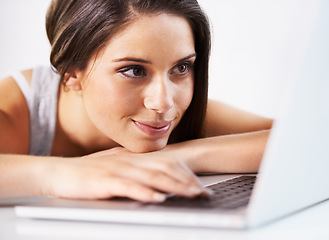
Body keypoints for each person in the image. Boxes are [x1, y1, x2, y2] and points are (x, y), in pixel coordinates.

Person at [0, 0, 272, 203]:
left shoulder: (177, 108)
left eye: (181, 68)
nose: (163, 103)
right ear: (71, 74)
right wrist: (59, 174)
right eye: (134, 70)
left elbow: (301, 138)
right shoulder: (13, 111)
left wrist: (180, 157)